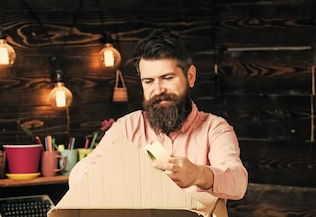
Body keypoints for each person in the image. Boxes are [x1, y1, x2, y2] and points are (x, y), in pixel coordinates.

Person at [68, 28, 248, 206]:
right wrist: (120, 174)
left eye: (167, 78)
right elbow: (79, 174)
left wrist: (198, 174)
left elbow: (238, 182)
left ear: (190, 76)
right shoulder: (127, 128)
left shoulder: (215, 129)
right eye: (148, 81)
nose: (158, 90)